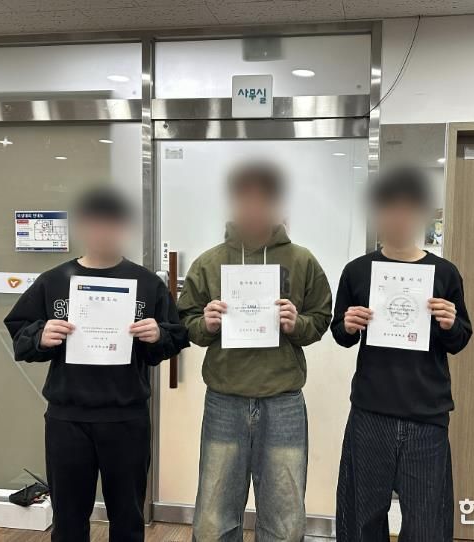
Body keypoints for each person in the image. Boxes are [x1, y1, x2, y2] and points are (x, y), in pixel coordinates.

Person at [4, 186, 189, 542]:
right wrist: (40, 336)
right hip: (68, 418)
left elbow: (175, 336)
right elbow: (21, 334)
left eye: (111, 223)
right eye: (94, 223)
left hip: (126, 417)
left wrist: (158, 335)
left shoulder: (146, 284)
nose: (102, 231)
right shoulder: (54, 281)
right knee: (69, 519)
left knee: (128, 517)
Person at [178, 161, 332, 542]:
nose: (253, 208)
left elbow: (321, 318)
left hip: (283, 401)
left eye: (263, 200)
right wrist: (206, 323)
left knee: (284, 519)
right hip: (224, 400)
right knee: (213, 520)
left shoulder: (301, 260)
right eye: (245, 199)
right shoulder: (210, 262)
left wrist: (297, 323)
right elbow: (186, 321)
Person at [331, 166, 473, 542]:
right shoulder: (358, 271)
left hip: (427, 415)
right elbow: (340, 335)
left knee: (427, 524)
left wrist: (450, 323)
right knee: (361, 519)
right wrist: (348, 325)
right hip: (371, 411)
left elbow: (460, 340)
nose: (398, 217)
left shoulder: (444, 273)